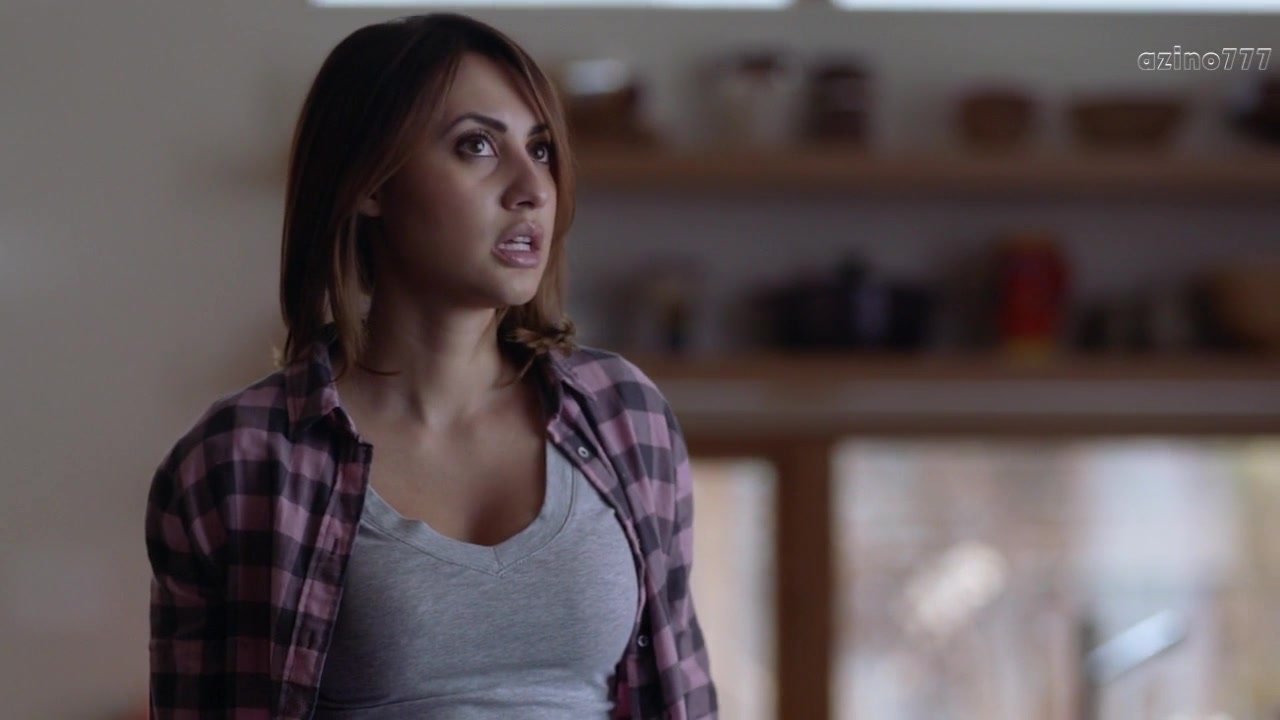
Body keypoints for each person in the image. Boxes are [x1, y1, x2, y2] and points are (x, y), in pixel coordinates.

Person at [144, 13, 717, 720]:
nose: (533, 188)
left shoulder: (627, 415)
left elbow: (684, 698)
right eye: (477, 145)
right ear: (370, 183)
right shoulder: (239, 459)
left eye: (540, 150)